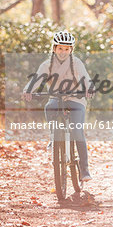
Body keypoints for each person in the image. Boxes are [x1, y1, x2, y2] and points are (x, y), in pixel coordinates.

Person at [23, 31, 93, 182]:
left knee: (77, 130)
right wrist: (28, 90)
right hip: (56, 98)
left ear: (71, 50)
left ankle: (84, 168)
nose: (63, 52)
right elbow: (36, 80)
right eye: (60, 48)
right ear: (54, 48)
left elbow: (86, 78)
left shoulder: (76, 63)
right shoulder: (47, 65)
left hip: (76, 99)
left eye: (67, 49)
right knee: (49, 107)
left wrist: (89, 88)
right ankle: (53, 136)